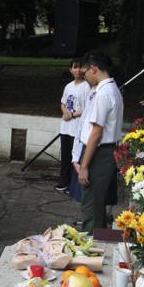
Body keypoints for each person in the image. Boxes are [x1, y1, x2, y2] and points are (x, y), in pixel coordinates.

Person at [74, 52, 123, 233]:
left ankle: (90, 247)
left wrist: (84, 165)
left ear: (94, 68)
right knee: (97, 204)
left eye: (85, 71)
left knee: (92, 205)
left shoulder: (104, 93)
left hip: (100, 152)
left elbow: (96, 132)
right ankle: (100, 244)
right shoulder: (109, 89)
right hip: (103, 151)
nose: (84, 75)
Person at [55, 57, 90, 192]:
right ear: (71, 70)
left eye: (81, 67)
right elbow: (63, 103)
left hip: (77, 128)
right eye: (75, 67)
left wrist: (73, 115)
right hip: (66, 127)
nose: (78, 70)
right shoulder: (68, 86)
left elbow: (88, 108)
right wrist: (65, 112)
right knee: (65, 157)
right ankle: (63, 181)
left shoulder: (87, 87)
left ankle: (73, 185)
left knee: (75, 158)